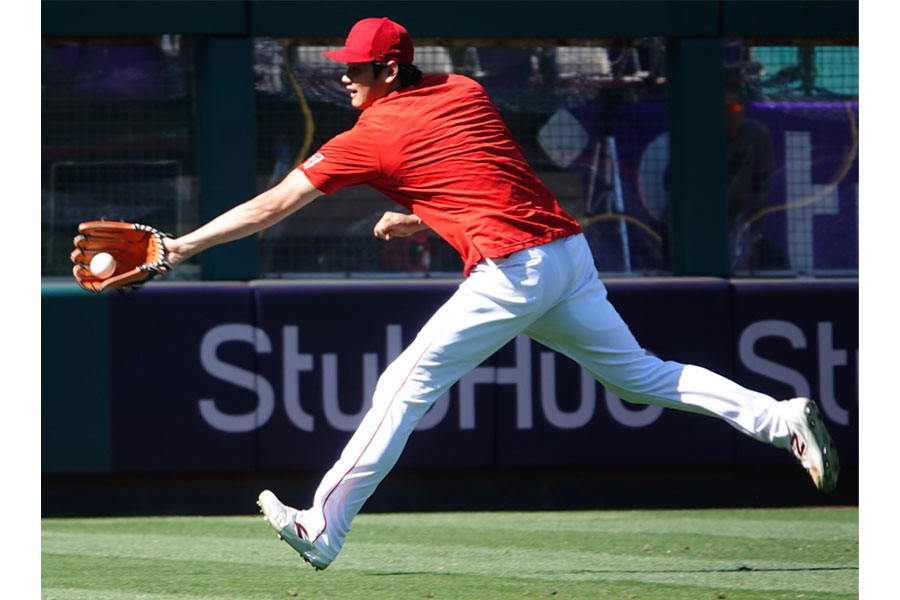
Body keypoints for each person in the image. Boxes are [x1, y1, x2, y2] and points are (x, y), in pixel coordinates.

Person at [160, 18, 839, 570]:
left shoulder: (371, 135)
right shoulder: (462, 91)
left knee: (405, 382)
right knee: (640, 376)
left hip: (514, 267)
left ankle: (322, 527)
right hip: (566, 256)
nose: (342, 75)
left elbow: (275, 205)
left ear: (389, 71)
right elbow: (486, 177)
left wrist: (179, 248)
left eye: (355, 68)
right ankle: (779, 419)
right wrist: (425, 211)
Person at [724, 86, 789, 271]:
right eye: (722, 109)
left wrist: (754, 233)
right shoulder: (700, 138)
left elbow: (761, 187)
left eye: (734, 108)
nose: (729, 115)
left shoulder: (755, 135)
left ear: (743, 110)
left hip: (735, 220)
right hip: (702, 219)